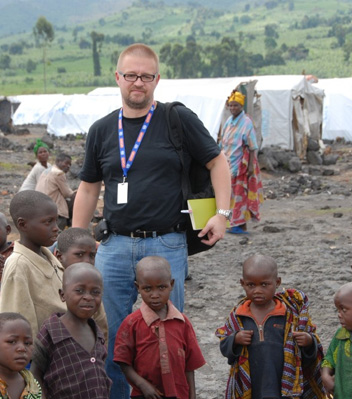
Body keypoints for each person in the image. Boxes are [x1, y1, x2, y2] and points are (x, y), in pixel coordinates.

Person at [73, 43, 231, 398]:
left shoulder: (177, 120)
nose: (138, 82)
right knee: (110, 335)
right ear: (118, 78)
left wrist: (222, 216)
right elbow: (87, 189)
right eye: (131, 75)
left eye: (146, 76)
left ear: (157, 79)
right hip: (112, 247)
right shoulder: (101, 130)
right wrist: (75, 239)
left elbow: (217, 162)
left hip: (166, 245)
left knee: (165, 335)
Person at [215, 254, 326, 399]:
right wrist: (235, 339)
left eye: (264, 284)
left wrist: (309, 342)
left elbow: (312, 352)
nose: (257, 290)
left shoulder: (291, 314)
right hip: (252, 385)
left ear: (277, 282)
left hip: (283, 384)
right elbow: (225, 347)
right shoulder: (238, 316)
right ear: (242, 283)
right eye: (251, 285)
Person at [114, 256, 205, 399]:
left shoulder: (182, 323)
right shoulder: (131, 323)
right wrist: (142, 384)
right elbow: (122, 361)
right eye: (147, 288)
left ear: (171, 284)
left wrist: (192, 396)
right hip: (145, 394)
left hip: (178, 393)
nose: (155, 295)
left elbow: (190, 366)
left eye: (161, 287)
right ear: (138, 288)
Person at [33, 263, 111, 398]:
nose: (88, 297)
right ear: (62, 295)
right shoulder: (51, 331)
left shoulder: (97, 332)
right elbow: (35, 373)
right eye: (79, 291)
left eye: (95, 292)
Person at [0, 190, 64, 337]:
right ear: (23, 225)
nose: (56, 228)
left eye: (56, 220)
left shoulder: (49, 257)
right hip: (42, 353)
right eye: (48, 222)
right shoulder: (18, 266)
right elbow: (16, 323)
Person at [218, 90, 263, 235]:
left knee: (240, 196)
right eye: (230, 106)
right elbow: (222, 143)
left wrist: (250, 167)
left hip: (241, 166)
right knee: (230, 196)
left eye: (235, 106)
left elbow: (252, 147)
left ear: (241, 106)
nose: (233, 108)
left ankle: (238, 225)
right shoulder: (229, 123)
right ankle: (234, 223)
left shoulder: (246, 123)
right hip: (228, 165)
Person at [55, 227, 108, 340]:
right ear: (59, 256)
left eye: (92, 256)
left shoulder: (93, 281)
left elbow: (101, 324)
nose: (87, 261)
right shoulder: (52, 280)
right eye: (79, 255)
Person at [36, 153, 75, 230]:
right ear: (58, 161)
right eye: (66, 163)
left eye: (70, 165)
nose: (68, 166)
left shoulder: (46, 171)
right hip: (56, 210)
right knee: (76, 197)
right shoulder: (58, 173)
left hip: (40, 207)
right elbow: (67, 193)